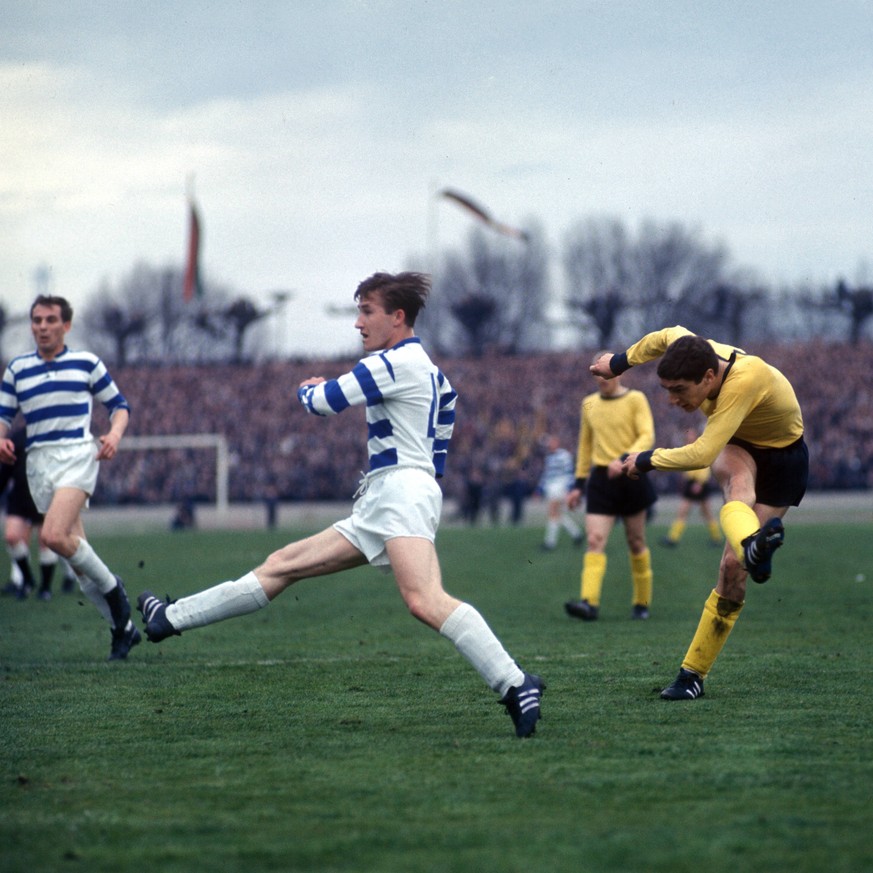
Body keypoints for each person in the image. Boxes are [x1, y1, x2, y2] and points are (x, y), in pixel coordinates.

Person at [137, 272, 544, 738]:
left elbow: (324, 403)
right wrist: (416, 487)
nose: (358, 323)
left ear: (398, 316)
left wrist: (307, 387)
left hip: (400, 492)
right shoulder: (432, 372)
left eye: (367, 311)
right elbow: (442, 440)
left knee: (424, 600)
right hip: (393, 493)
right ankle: (168, 617)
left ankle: (514, 682)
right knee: (282, 564)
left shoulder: (391, 362)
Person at [591, 326, 807, 700]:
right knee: (732, 553)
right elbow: (663, 335)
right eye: (667, 390)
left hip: (784, 458)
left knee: (731, 569)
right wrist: (618, 363)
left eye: (679, 391)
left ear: (709, 377)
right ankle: (691, 677)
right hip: (741, 445)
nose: (673, 401)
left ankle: (749, 548)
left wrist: (646, 459)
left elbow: (702, 454)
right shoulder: (690, 347)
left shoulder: (745, 379)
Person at [0, 295, 138, 659]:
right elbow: (3, 416)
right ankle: (122, 629)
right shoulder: (17, 369)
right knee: (79, 566)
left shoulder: (86, 363)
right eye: (36, 320)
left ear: (66, 325)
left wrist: (114, 435)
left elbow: (119, 407)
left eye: (49, 319)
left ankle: (115, 592)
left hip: (77, 455)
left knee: (52, 535)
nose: (42, 326)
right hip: (38, 464)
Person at [564, 355, 657, 621]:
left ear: (618, 373)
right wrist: (578, 485)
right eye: (596, 374)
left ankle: (642, 602)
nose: (601, 379)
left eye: (606, 373)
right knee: (594, 540)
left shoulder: (636, 399)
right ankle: (588, 603)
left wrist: (625, 457)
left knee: (636, 542)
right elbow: (585, 446)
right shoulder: (589, 404)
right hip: (601, 480)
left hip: (631, 474)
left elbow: (646, 435)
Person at [0, 427, 77, 600]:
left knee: (48, 540)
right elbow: (7, 468)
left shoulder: (53, 436)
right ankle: (26, 578)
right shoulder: (18, 437)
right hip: (20, 496)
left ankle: (46, 587)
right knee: (12, 537)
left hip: (45, 494)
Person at [660, 427, 722, 548]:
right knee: (697, 512)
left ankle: (673, 538)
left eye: (692, 435)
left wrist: (699, 483)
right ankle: (716, 538)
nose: (689, 437)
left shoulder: (699, 447)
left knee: (698, 512)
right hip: (692, 483)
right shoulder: (688, 448)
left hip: (698, 484)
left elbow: (704, 466)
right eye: (688, 435)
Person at [535, 434, 582, 550]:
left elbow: (569, 472)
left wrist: (569, 488)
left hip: (560, 486)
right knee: (557, 514)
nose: (550, 445)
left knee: (552, 512)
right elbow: (546, 474)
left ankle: (550, 543)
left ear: (557, 442)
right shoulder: (549, 457)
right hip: (551, 487)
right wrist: (539, 488)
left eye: (552, 442)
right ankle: (576, 534)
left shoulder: (564, 455)